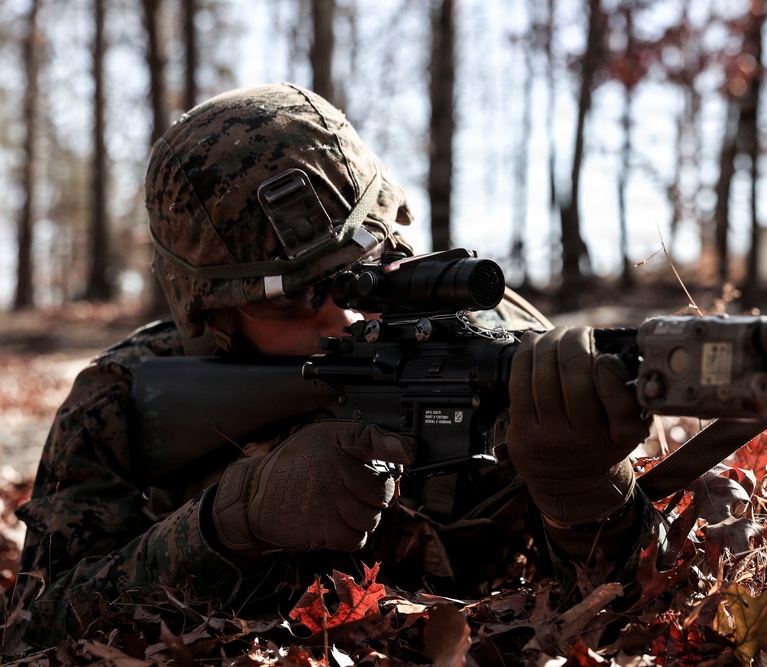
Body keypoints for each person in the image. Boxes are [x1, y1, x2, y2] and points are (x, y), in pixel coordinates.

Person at [2, 83, 667, 652]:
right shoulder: (120, 399)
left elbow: (637, 622)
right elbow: (34, 629)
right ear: (211, 317)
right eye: (292, 300)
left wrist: (587, 498)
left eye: (365, 274)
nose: (343, 319)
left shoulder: (511, 359)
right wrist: (226, 526)